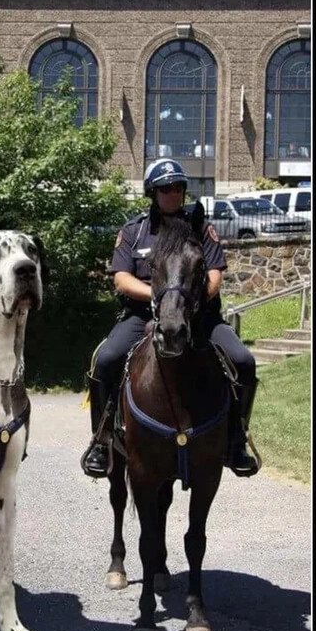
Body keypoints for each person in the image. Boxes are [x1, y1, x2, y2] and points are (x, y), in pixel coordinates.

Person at [81, 159, 259, 480]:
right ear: (152, 192)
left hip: (198, 313)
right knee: (105, 360)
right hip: (142, 315)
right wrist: (160, 298)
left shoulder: (200, 228)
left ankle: (236, 441)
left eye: (178, 187)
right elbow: (121, 279)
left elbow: (215, 277)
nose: (173, 194)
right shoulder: (134, 232)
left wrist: (185, 302)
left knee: (243, 361)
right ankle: (102, 441)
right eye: (165, 188)